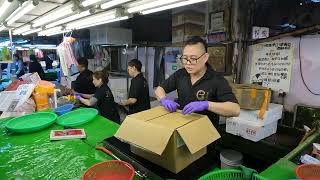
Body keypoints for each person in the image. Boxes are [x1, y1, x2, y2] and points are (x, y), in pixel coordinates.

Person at [155, 36, 240, 126]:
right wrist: (163, 99)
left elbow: (235, 109)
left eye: (193, 59)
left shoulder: (217, 80)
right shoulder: (181, 74)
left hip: (205, 132)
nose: (188, 63)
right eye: (185, 58)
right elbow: (159, 89)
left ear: (205, 58)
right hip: (182, 127)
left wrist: (206, 104)